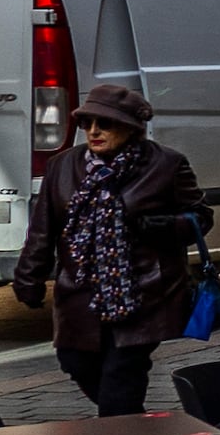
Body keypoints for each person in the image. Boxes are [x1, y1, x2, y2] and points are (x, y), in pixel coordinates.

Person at [22, 81, 201, 417]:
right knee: (76, 361)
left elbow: (200, 219)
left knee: (120, 381)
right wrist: (28, 278)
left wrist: (165, 227)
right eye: (87, 123)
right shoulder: (63, 166)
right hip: (79, 294)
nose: (94, 131)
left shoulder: (167, 166)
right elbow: (43, 230)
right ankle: (135, 429)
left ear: (131, 128)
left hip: (143, 294)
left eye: (104, 123)